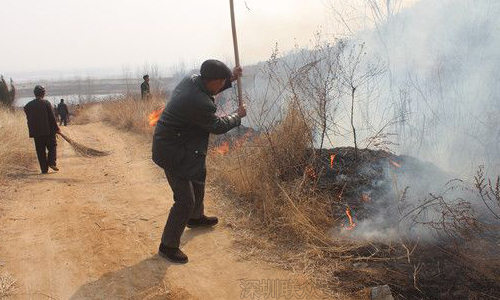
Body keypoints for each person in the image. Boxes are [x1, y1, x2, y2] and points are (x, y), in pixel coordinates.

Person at [152, 59, 246, 263]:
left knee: (198, 175)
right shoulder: (197, 101)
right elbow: (217, 126)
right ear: (214, 82)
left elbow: (212, 87)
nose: (221, 86)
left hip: (184, 144)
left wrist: (230, 78)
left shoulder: (193, 80)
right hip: (172, 152)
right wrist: (237, 116)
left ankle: (195, 217)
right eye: (222, 83)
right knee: (184, 200)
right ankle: (168, 245)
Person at [24, 85, 60, 174]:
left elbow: (29, 118)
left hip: (36, 132)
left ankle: (44, 169)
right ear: (43, 94)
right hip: (48, 131)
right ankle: (51, 162)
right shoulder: (46, 103)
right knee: (52, 146)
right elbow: (52, 117)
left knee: (40, 150)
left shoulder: (28, 106)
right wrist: (56, 128)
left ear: (35, 94)